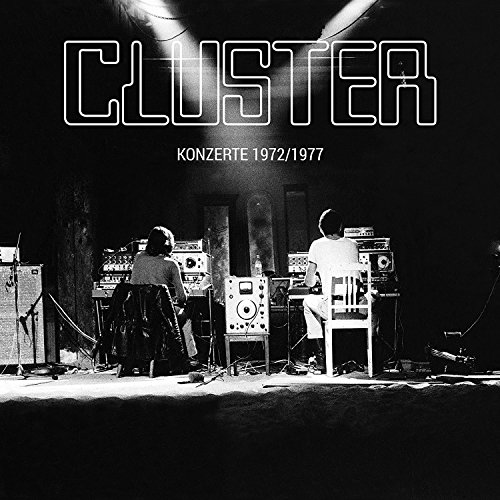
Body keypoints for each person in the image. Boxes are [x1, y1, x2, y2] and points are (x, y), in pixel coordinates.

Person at [130, 226, 199, 364]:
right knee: (184, 316)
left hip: (137, 313)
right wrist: (180, 295)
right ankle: (191, 357)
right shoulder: (171, 264)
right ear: (168, 245)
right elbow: (182, 298)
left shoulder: (138, 257)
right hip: (159, 316)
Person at [302, 209, 360, 368]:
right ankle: (373, 357)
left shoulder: (316, 245)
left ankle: (320, 357)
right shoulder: (353, 244)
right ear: (340, 227)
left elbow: (308, 282)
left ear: (321, 228)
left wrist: (317, 280)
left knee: (307, 302)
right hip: (358, 308)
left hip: (333, 309)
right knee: (376, 301)